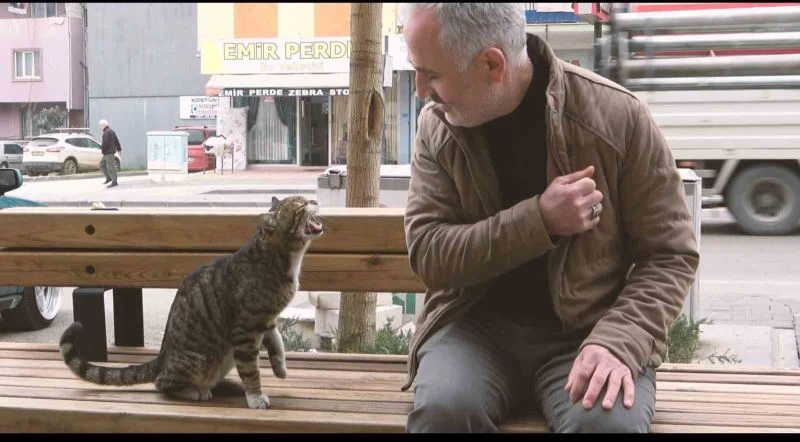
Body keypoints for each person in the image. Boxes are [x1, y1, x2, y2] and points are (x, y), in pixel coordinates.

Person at [400, 3, 699, 433]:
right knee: (445, 413)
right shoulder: (438, 127)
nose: (419, 91)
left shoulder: (617, 117)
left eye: (431, 74)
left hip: (588, 333)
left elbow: (670, 255)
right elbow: (429, 254)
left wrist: (620, 340)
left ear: (492, 64)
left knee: (606, 426)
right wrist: (540, 221)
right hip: (472, 330)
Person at [98, 119, 122, 188]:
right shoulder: (111, 131)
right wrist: (119, 149)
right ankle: (109, 178)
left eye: (100, 125)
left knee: (111, 166)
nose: (100, 127)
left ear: (103, 125)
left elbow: (105, 143)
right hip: (107, 152)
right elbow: (116, 141)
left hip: (109, 152)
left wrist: (102, 150)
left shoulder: (107, 132)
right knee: (102, 164)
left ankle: (114, 181)